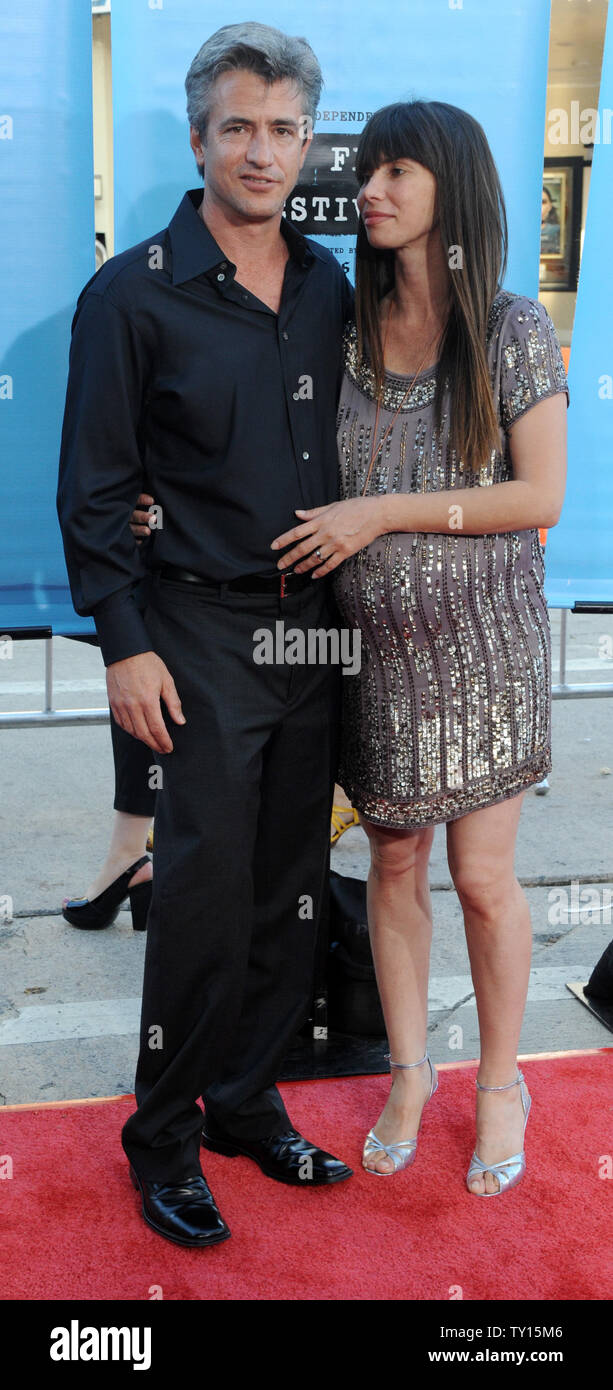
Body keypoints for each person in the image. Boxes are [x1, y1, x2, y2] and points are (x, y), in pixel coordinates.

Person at [57, 21, 355, 1249]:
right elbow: (91, 486)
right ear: (198, 137)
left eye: (283, 129)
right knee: (197, 895)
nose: (262, 150)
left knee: (288, 890)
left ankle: (243, 1101)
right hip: (194, 634)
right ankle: (164, 1137)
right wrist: (126, 640)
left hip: (315, 637)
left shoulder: (333, 283)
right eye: (239, 126)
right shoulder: (131, 292)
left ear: (305, 141)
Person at [270, 100, 568, 1196]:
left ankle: (501, 1080)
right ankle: (409, 1070)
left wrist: (385, 513)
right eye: (367, 171)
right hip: (380, 660)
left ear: (454, 186)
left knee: (481, 879)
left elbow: (540, 495)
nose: (371, 190)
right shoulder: (338, 329)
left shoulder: (507, 329)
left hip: (485, 654)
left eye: (398, 170)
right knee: (392, 863)